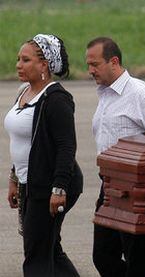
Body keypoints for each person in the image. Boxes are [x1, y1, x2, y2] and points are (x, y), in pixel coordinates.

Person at [86, 37, 145, 277]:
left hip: (137, 190)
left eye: (95, 64)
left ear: (114, 62)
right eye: (88, 65)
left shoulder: (138, 93)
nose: (90, 70)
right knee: (103, 256)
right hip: (109, 187)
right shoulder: (105, 93)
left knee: (141, 260)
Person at [5, 34, 83, 276]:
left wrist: (58, 189)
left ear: (44, 65)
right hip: (30, 182)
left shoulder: (56, 99)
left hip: (52, 185)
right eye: (18, 59)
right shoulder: (23, 92)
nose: (19, 64)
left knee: (36, 256)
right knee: (49, 250)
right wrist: (14, 178)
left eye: (26, 60)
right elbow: (22, 142)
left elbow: (67, 147)